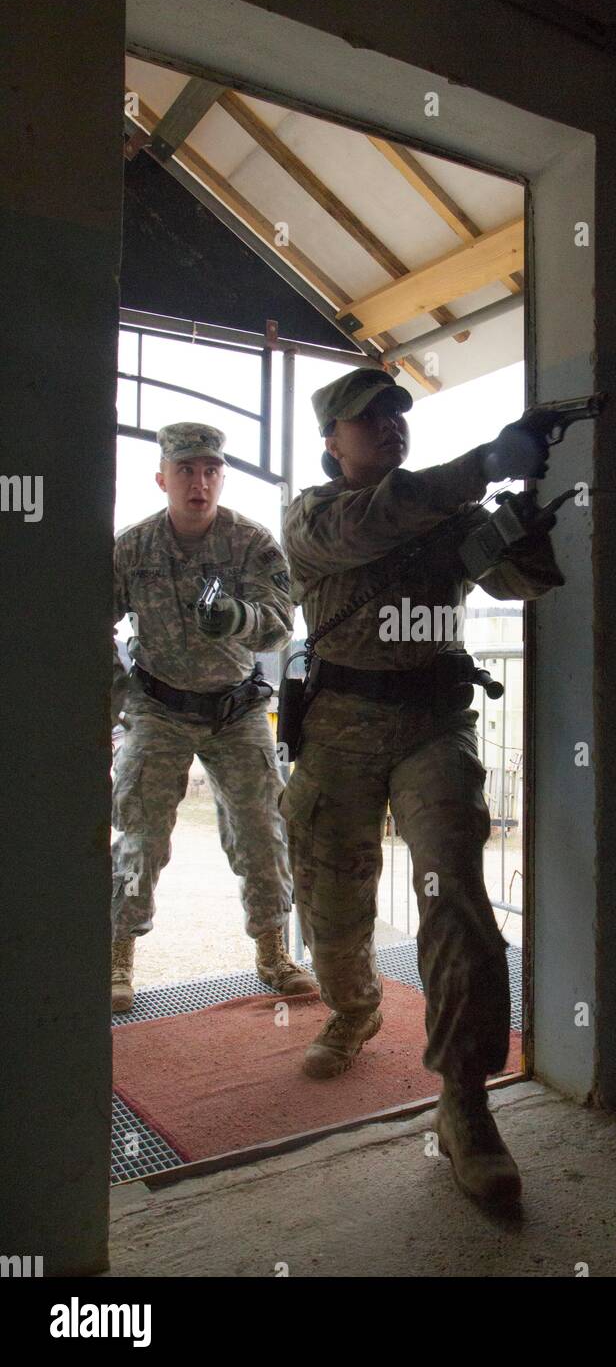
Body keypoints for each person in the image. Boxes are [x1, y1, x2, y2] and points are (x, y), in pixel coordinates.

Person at [280, 368, 564, 1203]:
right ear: (332, 443)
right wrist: (486, 464)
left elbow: (524, 583)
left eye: (397, 416)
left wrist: (523, 521)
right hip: (335, 731)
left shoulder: (450, 509)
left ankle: (465, 1102)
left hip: (433, 725)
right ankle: (353, 1006)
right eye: (367, 421)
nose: (387, 428)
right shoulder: (316, 515)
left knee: (456, 897)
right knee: (332, 904)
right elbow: (380, 521)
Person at [111, 421, 319, 1011]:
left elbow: (280, 620)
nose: (198, 483)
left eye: (209, 471)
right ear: (162, 479)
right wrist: (117, 693)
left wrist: (239, 619)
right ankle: (118, 956)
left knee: (261, 830)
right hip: (158, 707)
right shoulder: (133, 547)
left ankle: (274, 953)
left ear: (221, 477)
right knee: (141, 835)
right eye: (185, 471)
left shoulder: (250, 542)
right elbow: (89, 619)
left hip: (236, 708)